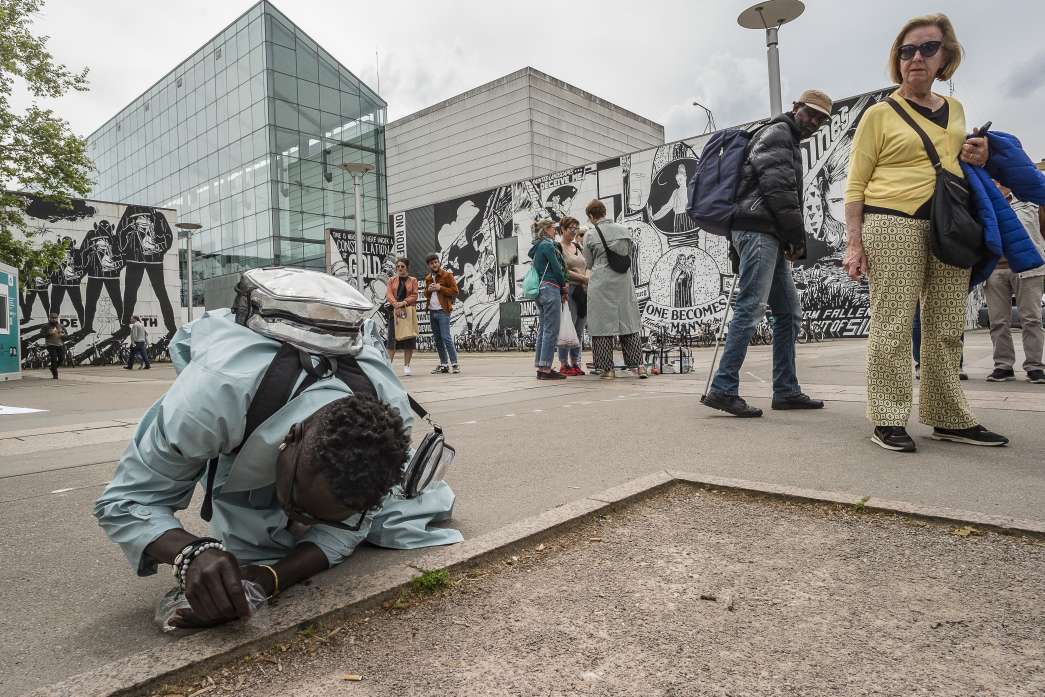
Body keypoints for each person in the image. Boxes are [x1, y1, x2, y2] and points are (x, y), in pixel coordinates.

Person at [94, 279, 460, 629]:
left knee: (267, 547)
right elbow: (125, 501)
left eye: (319, 517)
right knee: (249, 538)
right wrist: (192, 552)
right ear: (293, 436)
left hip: (280, 419)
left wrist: (270, 577)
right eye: (297, 505)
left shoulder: (390, 420)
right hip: (241, 392)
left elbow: (348, 530)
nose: (300, 524)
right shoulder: (210, 400)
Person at [843, 13, 1007, 452]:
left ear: (945, 57)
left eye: (927, 48)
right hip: (890, 220)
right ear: (897, 61)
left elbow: (959, 162)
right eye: (907, 51)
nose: (916, 57)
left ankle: (947, 415)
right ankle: (888, 416)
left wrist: (979, 152)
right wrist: (854, 243)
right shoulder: (878, 114)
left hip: (950, 222)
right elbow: (855, 184)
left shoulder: (956, 110)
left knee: (947, 325)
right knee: (894, 322)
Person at [701, 90, 833, 416]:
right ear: (796, 108)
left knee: (788, 312)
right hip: (759, 232)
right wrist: (796, 239)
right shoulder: (779, 134)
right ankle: (723, 387)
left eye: (821, 119)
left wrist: (786, 237)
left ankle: (786, 390)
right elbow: (779, 190)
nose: (814, 121)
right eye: (810, 113)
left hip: (765, 233)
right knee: (750, 307)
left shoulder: (785, 137)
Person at [985, 184, 1045, 383]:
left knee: (1032, 319)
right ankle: (1003, 366)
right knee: (998, 321)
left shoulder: (1031, 200)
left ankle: (1035, 366)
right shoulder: (986, 202)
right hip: (995, 268)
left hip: (1029, 268)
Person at [582, 200, 645, 380]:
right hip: (623, 280)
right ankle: (639, 367)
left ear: (591, 216)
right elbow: (629, 253)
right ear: (604, 212)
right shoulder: (624, 230)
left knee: (601, 325)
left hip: (601, 281)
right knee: (628, 321)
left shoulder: (591, 235)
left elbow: (589, 262)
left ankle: (607, 369)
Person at [529, 219, 567, 380]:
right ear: (545, 230)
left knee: (544, 329)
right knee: (551, 330)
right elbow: (557, 268)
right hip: (551, 288)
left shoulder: (537, 247)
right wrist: (563, 286)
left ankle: (541, 365)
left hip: (540, 290)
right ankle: (545, 368)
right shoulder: (547, 245)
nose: (555, 231)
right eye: (553, 228)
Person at [557, 217, 588, 375]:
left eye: (576, 228)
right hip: (569, 291)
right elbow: (562, 270)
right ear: (562, 229)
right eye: (571, 228)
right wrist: (582, 278)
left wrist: (586, 278)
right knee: (567, 327)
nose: (574, 231)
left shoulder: (578, 246)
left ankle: (575, 362)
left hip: (583, 292)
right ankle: (564, 364)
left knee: (579, 329)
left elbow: (586, 265)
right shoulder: (558, 247)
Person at [423, 254, 460, 374]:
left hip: (443, 311)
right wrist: (428, 291)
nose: (434, 265)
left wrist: (440, 288)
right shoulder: (428, 278)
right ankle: (444, 365)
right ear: (428, 265)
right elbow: (427, 295)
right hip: (432, 311)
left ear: (439, 263)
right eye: (431, 263)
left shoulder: (447, 275)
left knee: (446, 337)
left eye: (436, 262)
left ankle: (455, 364)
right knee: (438, 340)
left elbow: (455, 291)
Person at [385, 257, 418, 377]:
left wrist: (403, 303)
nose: (400, 268)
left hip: (408, 312)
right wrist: (396, 305)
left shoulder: (413, 280)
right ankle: (388, 367)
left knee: (409, 338)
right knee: (392, 339)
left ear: (407, 268)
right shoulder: (391, 280)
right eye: (398, 266)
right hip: (395, 312)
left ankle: (407, 365)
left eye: (402, 266)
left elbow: (414, 295)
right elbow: (388, 294)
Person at [44, 314, 66, 379]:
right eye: (52, 318)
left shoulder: (61, 325)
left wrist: (63, 335)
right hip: (50, 344)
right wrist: (49, 333)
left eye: (55, 318)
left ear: (57, 318)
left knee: (61, 358)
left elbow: (66, 334)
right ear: (49, 318)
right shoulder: (46, 326)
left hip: (60, 344)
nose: (54, 319)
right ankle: (55, 375)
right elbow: (41, 334)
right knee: (53, 358)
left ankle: (52, 368)